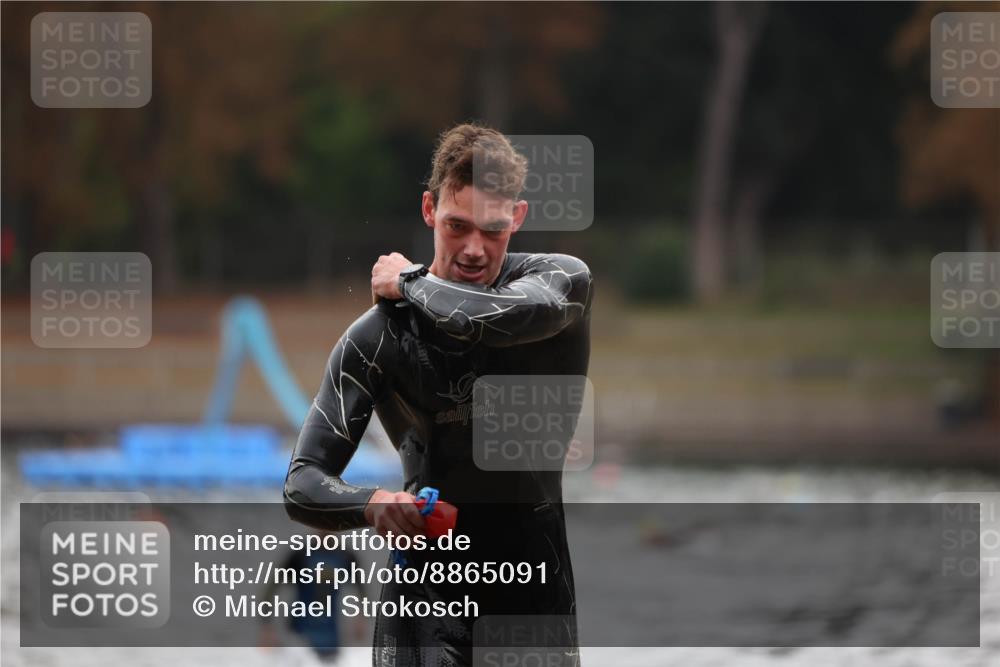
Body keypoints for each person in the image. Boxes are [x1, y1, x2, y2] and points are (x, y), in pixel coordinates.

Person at [283, 123, 593, 666]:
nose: (474, 250)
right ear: (429, 210)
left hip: (532, 600)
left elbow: (487, 320)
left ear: (517, 218)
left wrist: (408, 281)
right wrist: (374, 504)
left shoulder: (557, 286)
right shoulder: (376, 339)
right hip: (424, 603)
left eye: (493, 230)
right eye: (456, 226)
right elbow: (302, 484)